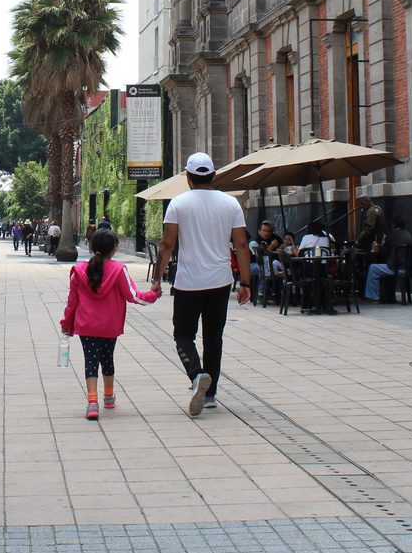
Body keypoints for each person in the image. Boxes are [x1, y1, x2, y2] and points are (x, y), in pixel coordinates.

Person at [151, 152, 252, 417]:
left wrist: (157, 279)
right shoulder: (230, 204)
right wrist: (245, 282)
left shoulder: (178, 204)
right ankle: (210, 394)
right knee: (213, 337)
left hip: (189, 281)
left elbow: (167, 244)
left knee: (183, 334)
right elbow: (241, 245)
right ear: (214, 176)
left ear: (188, 177)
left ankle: (197, 375)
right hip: (220, 280)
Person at [61, 228, 160, 421]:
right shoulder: (118, 270)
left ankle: (92, 402)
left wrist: (66, 323)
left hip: (86, 325)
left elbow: (71, 302)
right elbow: (133, 296)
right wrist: (153, 295)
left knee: (90, 361)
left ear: (92, 247)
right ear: (114, 248)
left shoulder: (79, 271)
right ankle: (108, 396)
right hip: (109, 326)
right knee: (107, 359)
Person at [364, 215, 412, 301]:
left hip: (397, 268)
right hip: (409, 268)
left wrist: (383, 243)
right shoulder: (408, 234)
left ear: (393, 225)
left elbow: (383, 251)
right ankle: (388, 294)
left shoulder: (391, 235)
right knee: (389, 265)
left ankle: (373, 297)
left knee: (373, 268)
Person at [250, 221, 283, 302]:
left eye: (268, 231)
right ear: (259, 231)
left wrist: (281, 246)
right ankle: (261, 292)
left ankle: (275, 294)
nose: (266, 233)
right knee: (266, 268)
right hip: (253, 264)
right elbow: (259, 256)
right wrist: (271, 247)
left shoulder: (274, 238)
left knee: (273, 267)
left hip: (269, 264)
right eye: (264, 230)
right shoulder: (254, 241)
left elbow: (282, 244)